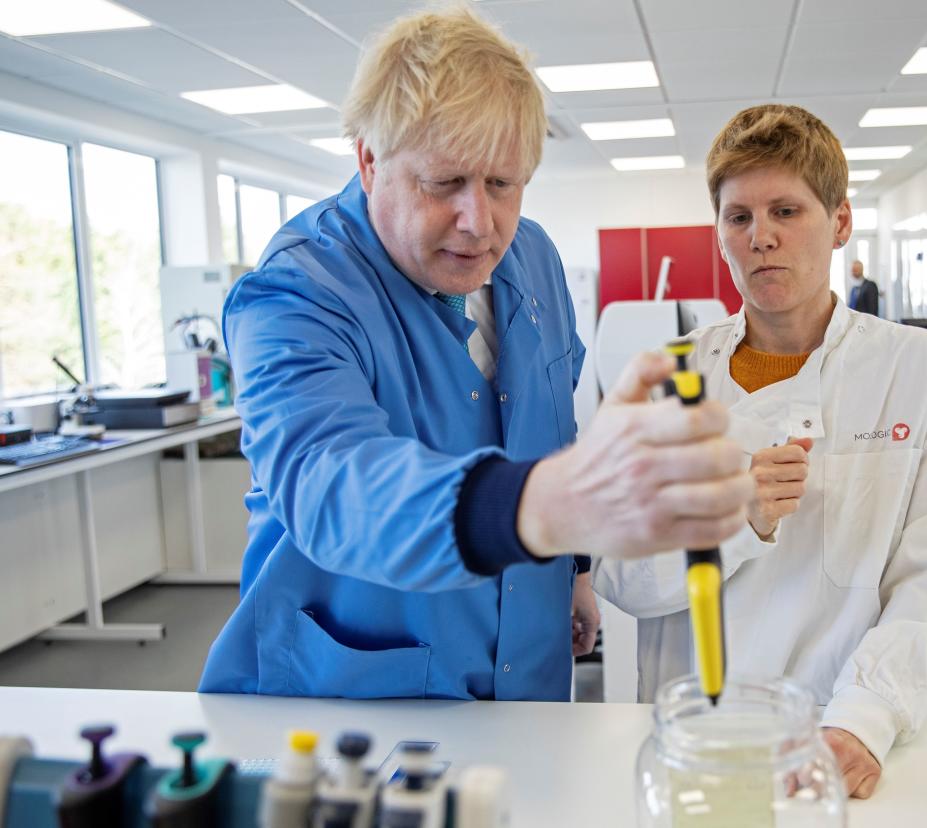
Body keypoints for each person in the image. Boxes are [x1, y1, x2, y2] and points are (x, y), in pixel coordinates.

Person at [198, 8, 752, 702]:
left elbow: (552, 429)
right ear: (370, 161)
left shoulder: (536, 260)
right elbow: (329, 481)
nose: (479, 222)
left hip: (528, 672)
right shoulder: (296, 293)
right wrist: (548, 508)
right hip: (355, 697)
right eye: (445, 183)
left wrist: (574, 568)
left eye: (502, 184)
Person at [593, 104, 927, 799]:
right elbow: (620, 576)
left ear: (839, 222)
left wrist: (862, 720)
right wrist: (732, 518)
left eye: (787, 211)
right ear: (720, 232)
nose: (762, 239)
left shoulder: (920, 371)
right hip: (696, 735)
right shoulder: (668, 378)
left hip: (846, 733)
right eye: (740, 217)